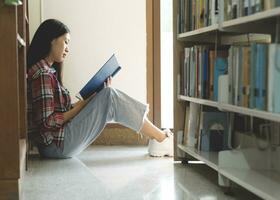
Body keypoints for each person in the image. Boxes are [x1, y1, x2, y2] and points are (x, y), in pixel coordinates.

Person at [27, 19, 173, 159]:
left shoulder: (47, 71)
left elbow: (60, 112)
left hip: (57, 143)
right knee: (109, 96)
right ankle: (160, 139)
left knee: (107, 95)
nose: (68, 48)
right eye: (66, 42)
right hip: (56, 145)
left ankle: (158, 138)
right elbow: (47, 122)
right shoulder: (42, 74)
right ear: (52, 40)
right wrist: (84, 104)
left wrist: (92, 99)